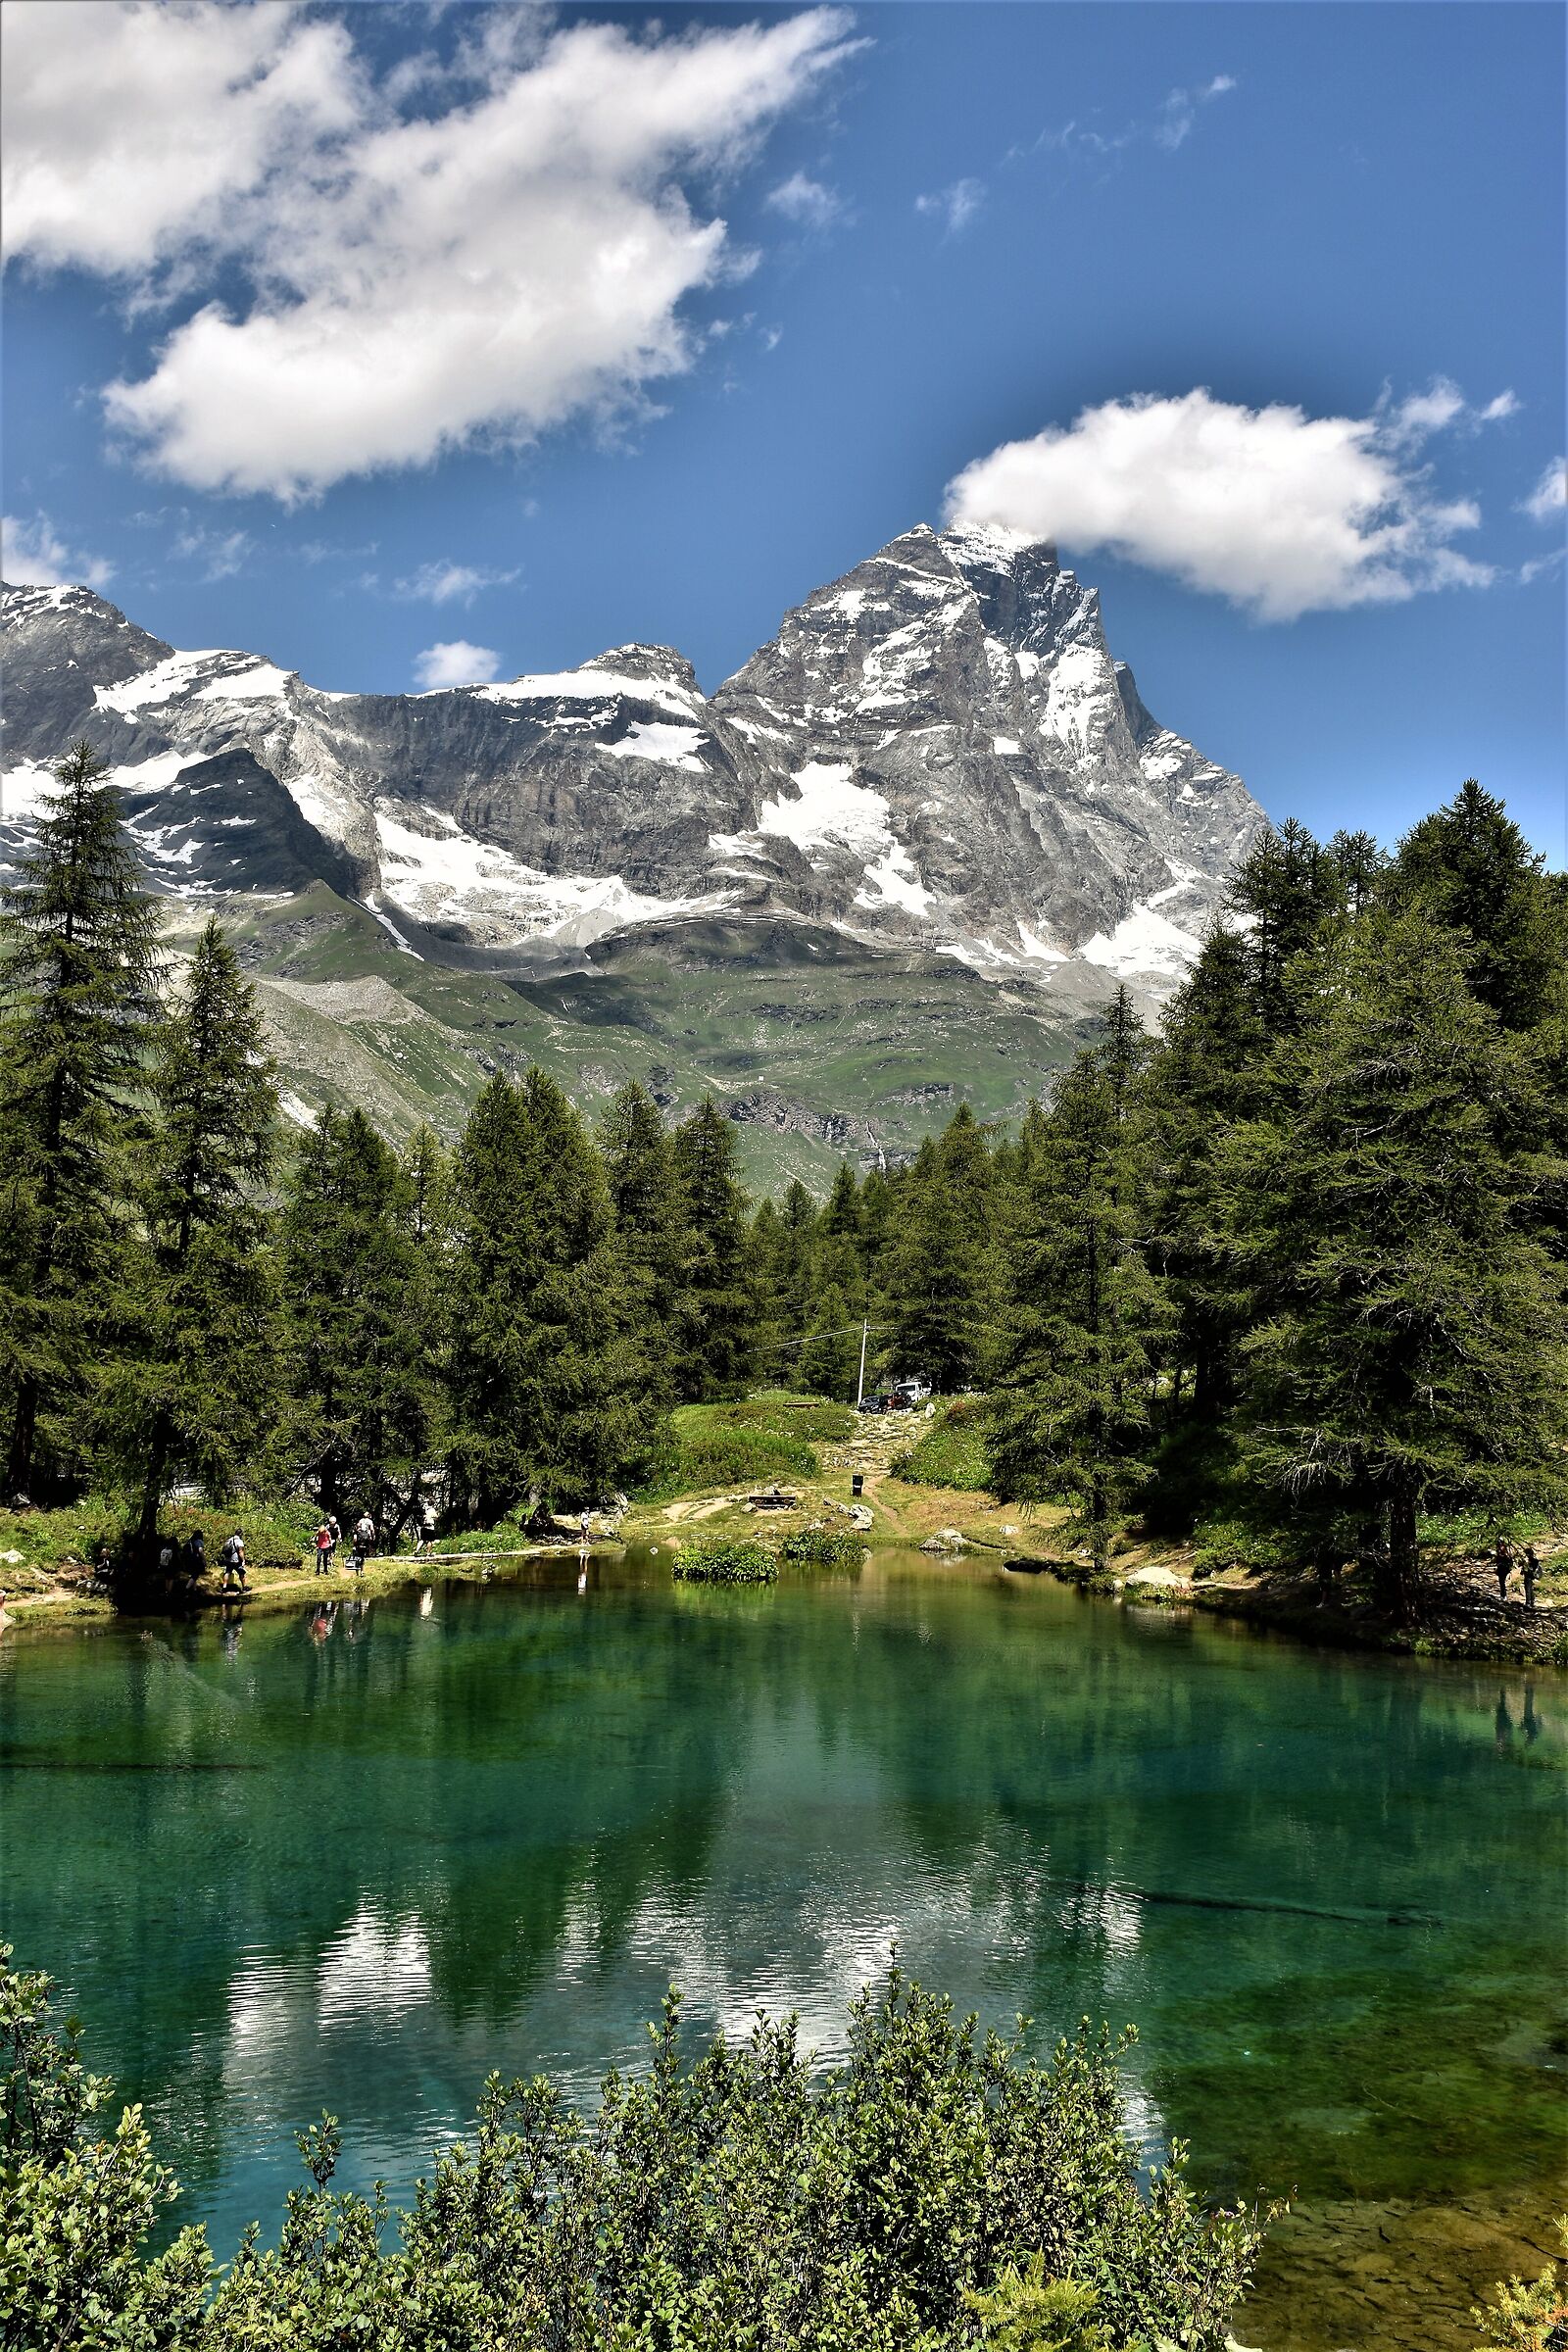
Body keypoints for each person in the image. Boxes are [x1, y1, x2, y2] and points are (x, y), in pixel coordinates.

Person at [1494, 1537, 1515, 1601]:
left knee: (1502, 1582)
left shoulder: (1503, 1549)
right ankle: (1502, 1595)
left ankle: (1504, 1595)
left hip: (1503, 1567)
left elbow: (1503, 1557)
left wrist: (1497, 1555)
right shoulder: (1502, 1549)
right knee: (1501, 1582)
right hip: (1501, 1567)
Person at [1522, 1545, 1540, 1614]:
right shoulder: (1534, 1560)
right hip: (1530, 1576)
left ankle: (1528, 1603)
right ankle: (1532, 1601)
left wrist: (1526, 1564)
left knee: (1528, 1589)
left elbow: (1529, 1569)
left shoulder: (1531, 1561)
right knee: (1530, 1589)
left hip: (1529, 1576)